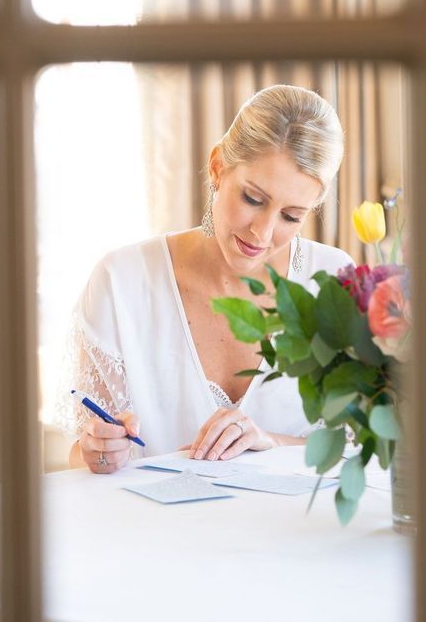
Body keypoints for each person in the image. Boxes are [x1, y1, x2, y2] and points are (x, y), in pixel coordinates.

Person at [55, 84, 350, 474]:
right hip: (155, 532)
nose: (262, 233)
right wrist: (100, 451)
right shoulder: (120, 282)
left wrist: (270, 442)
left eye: (291, 217)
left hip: (298, 532)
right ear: (217, 167)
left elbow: (362, 448)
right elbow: (84, 455)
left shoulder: (332, 282)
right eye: (253, 199)